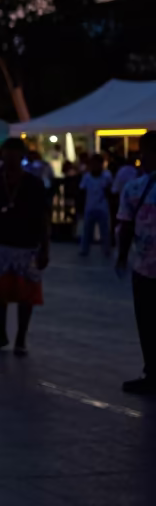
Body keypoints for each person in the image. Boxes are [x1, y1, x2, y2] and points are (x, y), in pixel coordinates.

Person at [0, 138, 51, 356]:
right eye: (6, 154)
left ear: (22, 156)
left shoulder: (34, 183)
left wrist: (45, 247)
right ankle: (2, 333)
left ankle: (20, 338)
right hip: (2, 243)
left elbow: (43, 216)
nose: (10, 159)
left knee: (26, 294)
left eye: (14, 155)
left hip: (27, 244)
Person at [116, 131, 156, 394]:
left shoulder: (135, 188)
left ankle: (152, 372)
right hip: (144, 266)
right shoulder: (135, 187)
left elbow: (126, 226)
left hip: (144, 267)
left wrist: (121, 256)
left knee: (147, 321)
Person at [78, 153, 114, 256]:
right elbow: (82, 191)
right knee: (87, 230)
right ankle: (84, 249)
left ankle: (106, 250)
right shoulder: (87, 177)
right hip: (90, 206)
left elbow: (110, 191)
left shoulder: (107, 176)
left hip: (103, 207)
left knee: (105, 231)